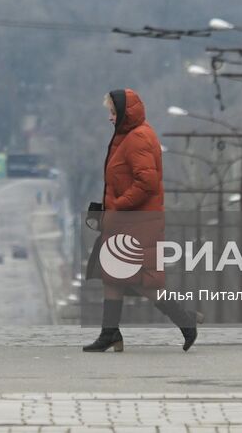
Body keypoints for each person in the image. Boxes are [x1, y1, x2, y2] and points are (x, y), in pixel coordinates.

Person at [82, 88, 201, 352]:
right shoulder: (128, 137)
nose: (110, 118)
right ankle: (110, 333)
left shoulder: (138, 139)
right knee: (111, 275)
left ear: (125, 113)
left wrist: (117, 207)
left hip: (136, 223)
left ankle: (185, 320)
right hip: (126, 222)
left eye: (113, 113)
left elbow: (146, 183)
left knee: (143, 281)